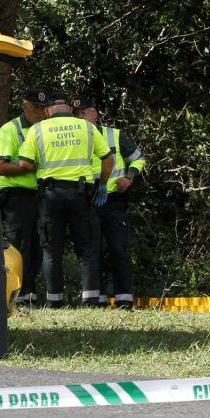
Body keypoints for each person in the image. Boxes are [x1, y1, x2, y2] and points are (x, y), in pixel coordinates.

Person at [16, 92, 114, 308]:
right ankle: (89, 301)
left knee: (51, 250)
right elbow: (108, 159)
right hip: (81, 194)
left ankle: (55, 302)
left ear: (48, 111)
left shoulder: (37, 129)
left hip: (49, 195)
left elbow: (23, 164)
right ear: (70, 109)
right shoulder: (87, 128)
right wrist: (104, 185)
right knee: (87, 249)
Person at [74, 98, 146, 309]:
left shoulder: (115, 135)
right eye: (76, 115)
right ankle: (96, 300)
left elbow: (139, 158)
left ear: (93, 115)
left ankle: (124, 300)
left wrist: (129, 178)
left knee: (118, 248)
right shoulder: (77, 137)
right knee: (91, 250)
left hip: (113, 199)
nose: (77, 119)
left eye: (81, 114)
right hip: (88, 199)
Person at [0, 88, 48, 306]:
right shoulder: (11, 130)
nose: (40, 113)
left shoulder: (46, 129)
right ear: (24, 107)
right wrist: (29, 168)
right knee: (20, 245)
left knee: (38, 245)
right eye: (36, 108)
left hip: (41, 195)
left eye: (43, 109)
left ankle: (30, 292)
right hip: (18, 195)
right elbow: (0, 167)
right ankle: (18, 292)